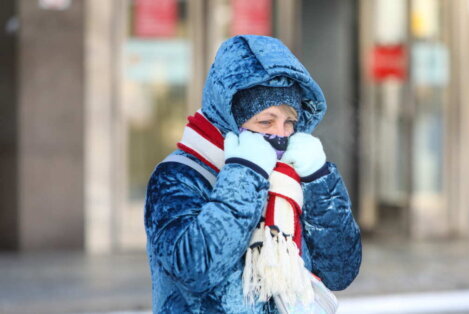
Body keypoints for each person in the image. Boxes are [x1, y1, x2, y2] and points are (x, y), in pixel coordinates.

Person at [144, 35, 361, 313]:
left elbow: (340, 271)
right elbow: (195, 269)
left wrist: (319, 178)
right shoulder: (178, 175)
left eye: (289, 122)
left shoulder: (292, 178)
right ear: (230, 119)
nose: (280, 134)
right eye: (265, 121)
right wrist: (246, 173)